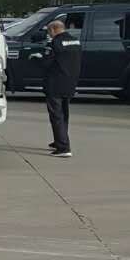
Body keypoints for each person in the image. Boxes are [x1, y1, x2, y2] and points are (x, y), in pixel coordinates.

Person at [42, 19, 82, 158]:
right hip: (70, 82)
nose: (49, 35)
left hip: (55, 83)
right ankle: (60, 140)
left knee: (56, 115)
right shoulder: (75, 41)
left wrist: (37, 58)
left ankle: (63, 148)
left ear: (53, 30)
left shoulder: (55, 43)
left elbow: (47, 62)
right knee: (64, 114)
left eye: (49, 32)